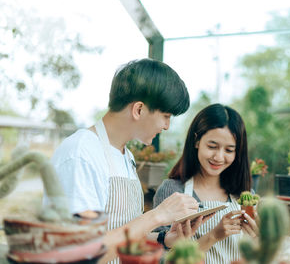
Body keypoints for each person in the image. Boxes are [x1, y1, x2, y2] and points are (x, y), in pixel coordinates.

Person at [44, 58, 206, 263]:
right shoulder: (80, 154)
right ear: (138, 109)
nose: (166, 126)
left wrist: (165, 238)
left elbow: (124, 231)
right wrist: (158, 215)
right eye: (166, 116)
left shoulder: (125, 156)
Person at [153, 103, 259, 264]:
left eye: (229, 150)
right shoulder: (173, 190)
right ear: (196, 141)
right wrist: (213, 236)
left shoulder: (245, 197)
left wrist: (256, 237)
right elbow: (162, 259)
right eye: (212, 146)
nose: (219, 157)